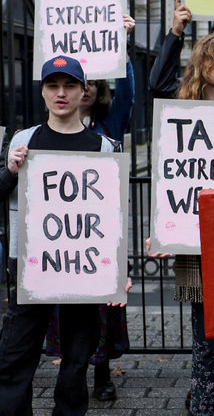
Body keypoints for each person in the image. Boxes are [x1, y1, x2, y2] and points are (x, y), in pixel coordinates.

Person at [0, 55, 121, 415]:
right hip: (29, 270)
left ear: (84, 91)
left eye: (69, 85)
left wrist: (118, 272)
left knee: (75, 362)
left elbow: (113, 217)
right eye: (53, 85)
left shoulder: (103, 148)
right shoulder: (23, 140)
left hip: (82, 272)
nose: (61, 93)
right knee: (14, 358)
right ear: (42, 92)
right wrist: (8, 172)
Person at [147, 33, 214, 416]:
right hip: (198, 245)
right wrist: (163, 224)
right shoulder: (180, 113)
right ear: (201, 63)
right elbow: (172, 177)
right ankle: (206, 408)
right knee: (206, 339)